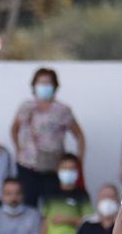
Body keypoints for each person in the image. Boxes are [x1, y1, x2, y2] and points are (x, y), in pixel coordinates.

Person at [11, 66, 85, 207]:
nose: (44, 87)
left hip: (53, 167)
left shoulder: (62, 110)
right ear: (34, 85)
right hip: (28, 166)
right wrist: (19, 149)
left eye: (48, 83)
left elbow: (80, 136)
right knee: (28, 205)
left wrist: (78, 161)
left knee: (52, 205)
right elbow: (14, 129)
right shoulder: (26, 107)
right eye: (41, 83)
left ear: (54, 86)